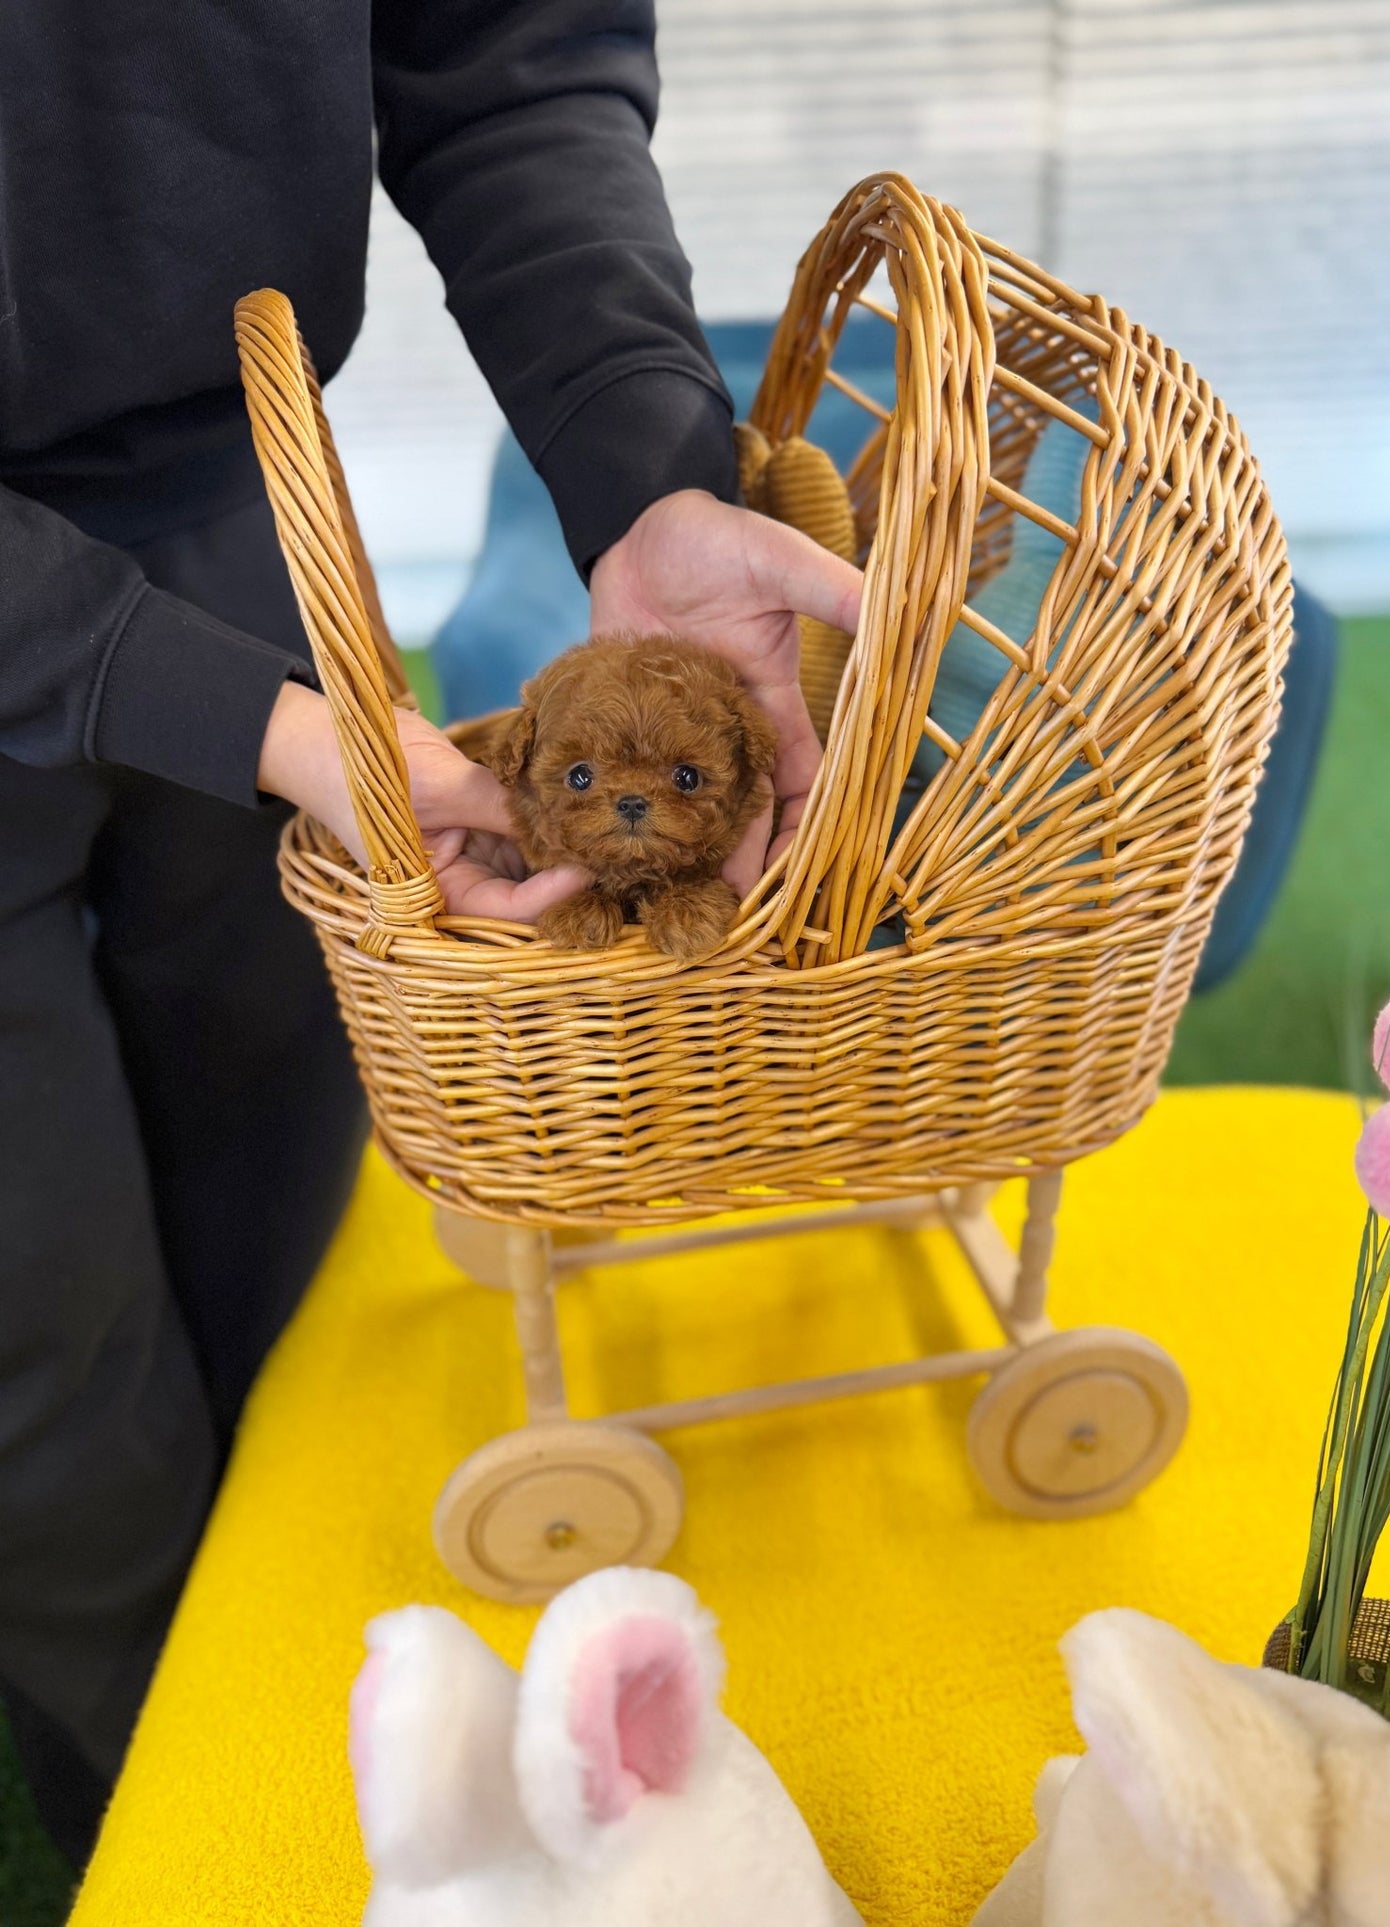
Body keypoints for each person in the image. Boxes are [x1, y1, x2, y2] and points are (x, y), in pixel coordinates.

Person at [0, 0, 861, 1870]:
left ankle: (316, 1731)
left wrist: (645, 466)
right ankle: (170, 1836)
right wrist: (252, 720)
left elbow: (511, 57)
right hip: (152, 615)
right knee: (47, 1375)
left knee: (271, 1206)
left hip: (229, 500)